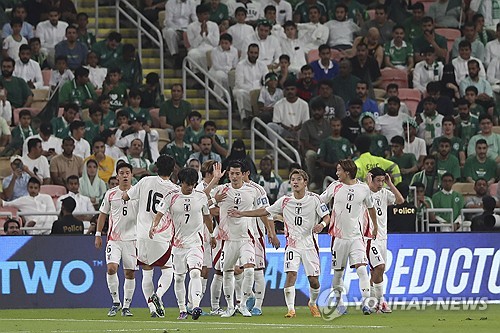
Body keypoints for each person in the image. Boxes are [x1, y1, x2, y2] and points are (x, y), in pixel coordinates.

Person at [230, 168, 327, 318]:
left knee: (313, 281)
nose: (295, 182)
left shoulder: (315, 199)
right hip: (292, 246)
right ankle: (291, 309)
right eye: (293, 179)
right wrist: (242, 213)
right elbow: (264, 211)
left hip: (310, 245)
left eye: (298, 179)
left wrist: (322, 225)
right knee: (291, 275)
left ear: (305, 182)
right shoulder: (285, 200)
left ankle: (313, 303)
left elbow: (326, 216)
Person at [213, 160, 279, 317]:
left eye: (237, 173)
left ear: (244, 174)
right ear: (228, 174)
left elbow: (265, 210)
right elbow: (201, 203)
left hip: (248, 237)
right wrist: (215, 195)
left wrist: (270, 230)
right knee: (228, 271)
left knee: (251, 270)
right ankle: (230, 307)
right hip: (228, 239)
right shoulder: (221, 189)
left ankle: (245, 304)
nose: (234, 176)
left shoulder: (254, 190)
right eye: (232, 173)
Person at [150, 167, 215, 320]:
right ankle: (182, 310)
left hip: (196, 244)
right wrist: (154, 226)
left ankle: (196, 306)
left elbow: (207, 217)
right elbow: (159, 214)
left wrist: (211, 234)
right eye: (187, 184)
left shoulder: (200, 197)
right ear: (181, 183)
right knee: (179, 278)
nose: (190, 187)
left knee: (195, 273)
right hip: (178, 245)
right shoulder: (171, 197)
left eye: (193, 184)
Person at [122, 155, 178, 318]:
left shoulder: (145, 181)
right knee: (168, 270)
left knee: (147, 272)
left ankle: (153, 310)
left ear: (156, 167)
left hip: (141, 235)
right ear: (173, 169)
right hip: (160, 235)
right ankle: (158, 296)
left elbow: (126, 196)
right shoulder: (174, 189)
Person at [320, 159, 377, 315]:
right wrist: (324, 220)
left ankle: (367, 303)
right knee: (338, 272)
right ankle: (339, 303)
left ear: (347, 172)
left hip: (356, 237)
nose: (336, 173)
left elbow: (371, 208)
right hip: (338, 237)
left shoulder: (363, 189)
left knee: (362, 270)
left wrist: (375, 226)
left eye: (339, 170)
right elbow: (319, 201)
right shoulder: (334, 186)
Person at [95, 162, 138, 317]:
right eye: (122, 173)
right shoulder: (110, 194)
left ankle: (126, 306)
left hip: (133, 240)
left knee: (129, 273)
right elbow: (102, 214)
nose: (125, 175)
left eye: (127, 172)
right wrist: (98, 234)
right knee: (111, 268)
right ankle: (115, 302)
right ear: (117, 176)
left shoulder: (137, 193)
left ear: (131, 175)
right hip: (114, 239)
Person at [365, 167, 404, 313]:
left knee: (378, 271)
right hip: (369, 237)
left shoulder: (384, 193)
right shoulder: (364, 192)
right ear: (371, 179)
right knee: (379, 267)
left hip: (383, 237)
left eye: (382, 180)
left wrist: (390, 183)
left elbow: (400, 200)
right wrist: (368, 184)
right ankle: (381, 301)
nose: (380, 184)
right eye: (378, 181)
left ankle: (371, 302)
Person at [233, 43, 269, 124]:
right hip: (244, 90)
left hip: (259, 91)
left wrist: (259, 91)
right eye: (251, 53)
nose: (253, 55)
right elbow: (239, 83)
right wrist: (253, 91)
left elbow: (266, 80)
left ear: (258, 54)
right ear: (248, 53)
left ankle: (260, 118)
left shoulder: (262, 65)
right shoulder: (240, 65)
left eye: (255, 53)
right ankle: (244, 118)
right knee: (239, 93)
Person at [300, 99, 331, 187]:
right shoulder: (307, 124)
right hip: (313, 150)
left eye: (319, 110)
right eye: (314, 110)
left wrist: (324, 151)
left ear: (324, 111)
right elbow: (304, 142)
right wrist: (318, 151)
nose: (316, 112)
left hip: (327, 150)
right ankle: (311, 179)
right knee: (310, 154)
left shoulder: (328, 124)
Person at [186, 4, 220, 72]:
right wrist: (201, 34)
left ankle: (209, 73)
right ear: (198, 15)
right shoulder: (191, 26)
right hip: (198, 49)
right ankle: (197, 73)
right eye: (204, 14)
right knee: (191, 54)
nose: (207, 16)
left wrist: (208, 34)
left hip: (210, 48)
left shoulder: (214, 25)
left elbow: (216, 43)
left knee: (214, 53)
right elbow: (193, 44)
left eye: (207, 14)